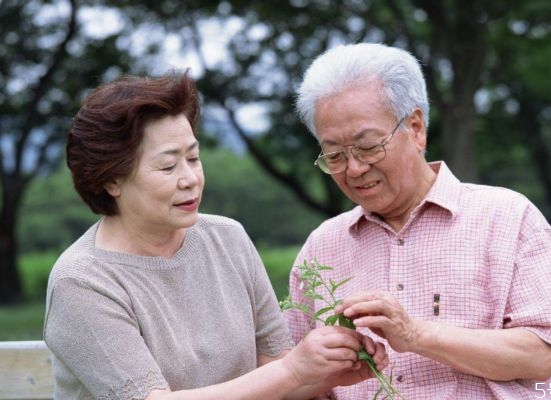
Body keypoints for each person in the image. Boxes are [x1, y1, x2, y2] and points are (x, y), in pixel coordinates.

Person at [43, 71, 389, 399]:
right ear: (110, 181)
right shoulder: (81, 281)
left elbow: (273, 368)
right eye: (168, 166)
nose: (190, 178)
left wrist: (321, 374)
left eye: (193, 158)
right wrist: (295, 373)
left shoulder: (228, 238)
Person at [285, 42, 551, 399]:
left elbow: (542, 355)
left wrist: (416, 335)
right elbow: (295, 373)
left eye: (368, 146)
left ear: (416, 128)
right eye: (335, 155)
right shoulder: (322, 246)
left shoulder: (507, 217)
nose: (354, 168)